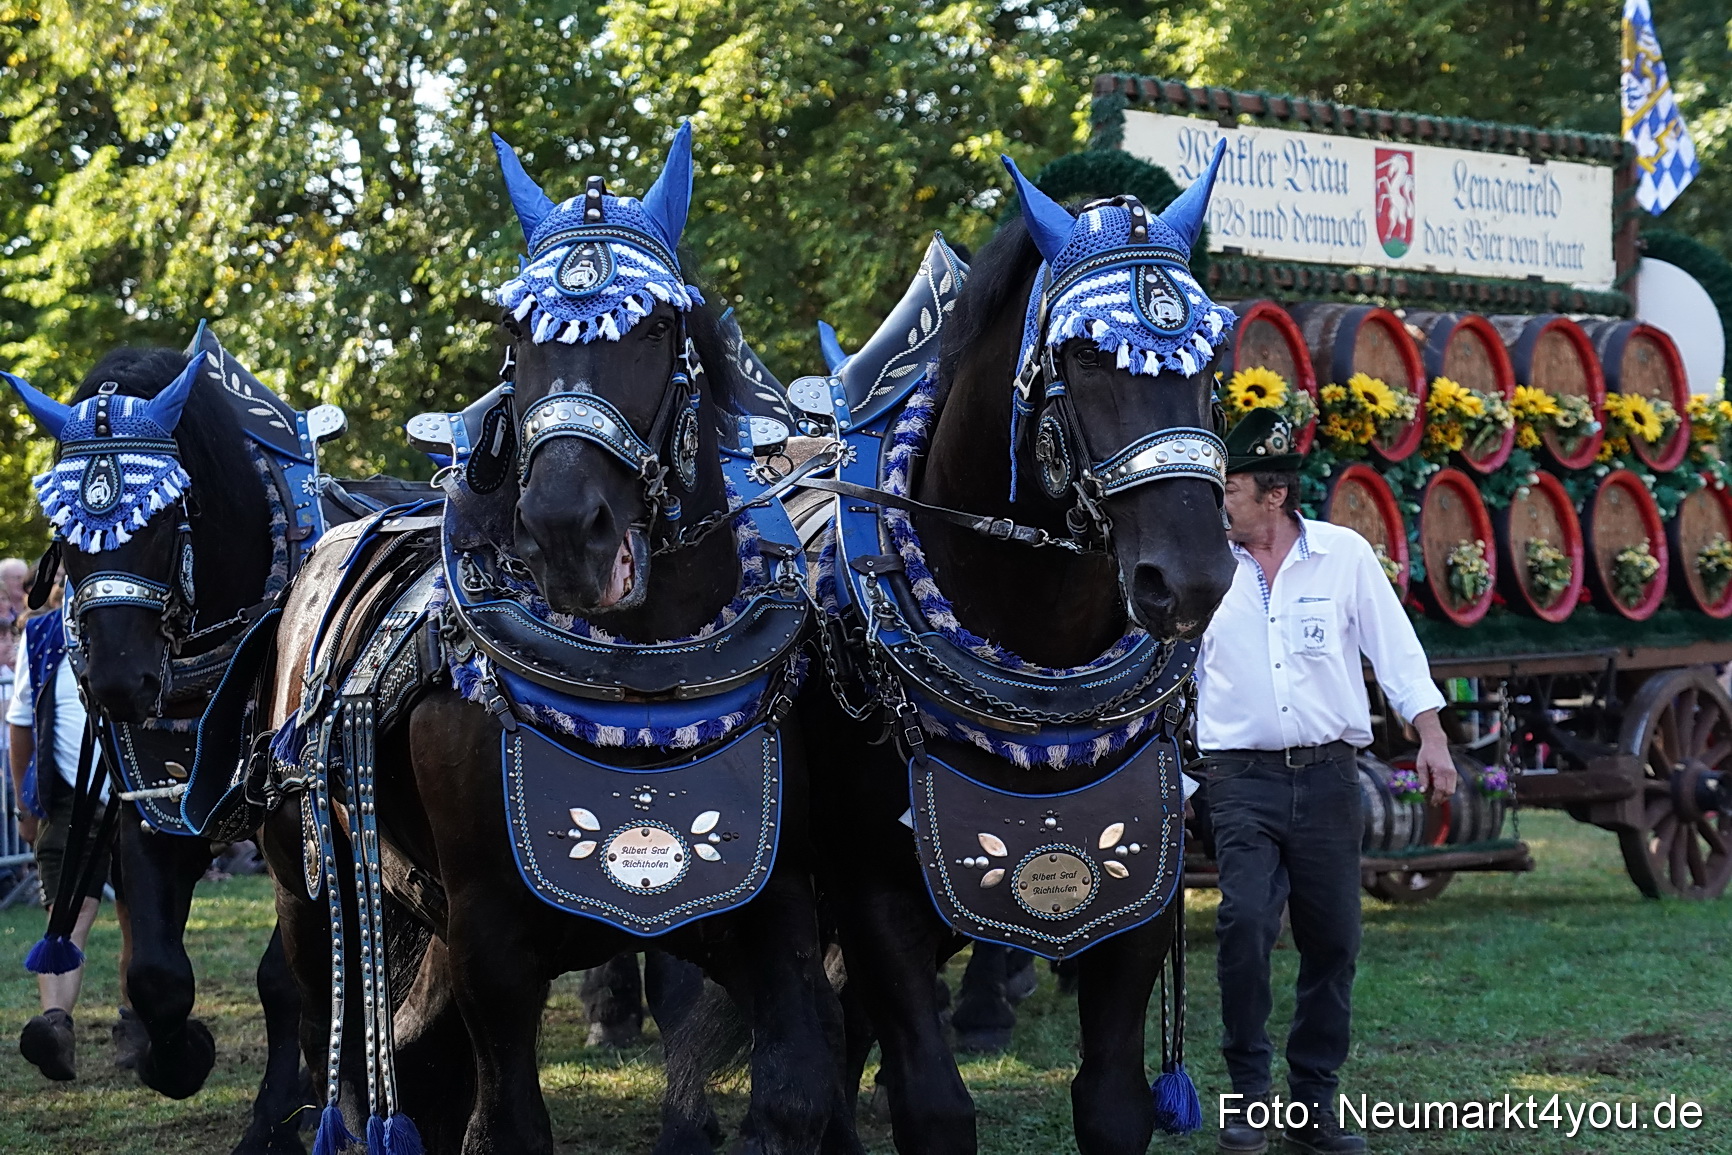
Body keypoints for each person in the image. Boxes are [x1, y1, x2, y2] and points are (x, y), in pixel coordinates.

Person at [1198, 409, 1456, 1155]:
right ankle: (1249, 1097)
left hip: (1328, 778)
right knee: (1246, 924)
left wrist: (1432, 735)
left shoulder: (1343, 555)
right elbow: (1165, 663)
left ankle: (1313, 1103)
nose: (1219, 502)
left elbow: (1396, 652)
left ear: (1274, 494)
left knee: (1334, 940)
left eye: (1231, 488)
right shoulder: (1203, 563)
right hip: (1238, 777)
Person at [6, 585, 136, 1081]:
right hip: (67, 800)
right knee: (66, 918)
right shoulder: (43, 635)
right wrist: (25, 804)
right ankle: (56, 1028)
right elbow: (21, 723)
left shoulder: (146, 620)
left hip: (136, 797)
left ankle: (135, 1025)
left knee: (137, 917)